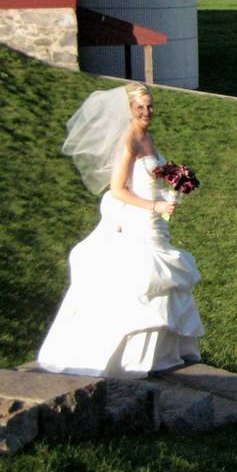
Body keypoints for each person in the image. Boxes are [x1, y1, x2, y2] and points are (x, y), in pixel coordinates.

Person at [38, 83, 204, 378]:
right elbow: (118, 190)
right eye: (140, 107)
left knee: (165, 280)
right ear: (129, 110)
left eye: (150, 106)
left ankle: (160, 355)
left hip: (155, 218)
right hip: (140, 219)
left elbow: (155, 173)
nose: (147, 112)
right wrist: (154, 206)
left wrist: (177, 180)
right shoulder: (127, 142)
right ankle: (128, 358)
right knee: (147, 278)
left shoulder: (148, 136)